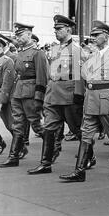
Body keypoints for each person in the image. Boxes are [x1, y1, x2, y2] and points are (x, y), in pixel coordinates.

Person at [59, 20, 109, 182]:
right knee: (86, 134)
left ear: (106, 36)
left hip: (106, 101)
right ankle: (79, 171)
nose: (93, 38)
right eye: (93, 35)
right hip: (91, 100)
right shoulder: (93, 55)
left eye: (96, 35)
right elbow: (84, 75)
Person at [27, 15, 95, 174]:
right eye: (55, 29)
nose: (56, 32)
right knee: (49, 128)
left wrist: (79, 98)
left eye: (59, 29)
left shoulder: (77, 50)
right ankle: (46, 163)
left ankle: (89, 157)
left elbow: (81, 75)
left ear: (69, 29)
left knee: (77, 129)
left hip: (69, 96)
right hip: (53, 95)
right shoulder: (55, 49)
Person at [0, 23, 48, 168]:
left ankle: (51, 149)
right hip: (18, 93)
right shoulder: (20, 52)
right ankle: (13, 157)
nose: (17, 38)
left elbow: (42, 78)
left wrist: (39, 98)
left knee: (36, 125)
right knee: (17, 125)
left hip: (30, 94)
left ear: (29, 35)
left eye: (20, 35)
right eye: (16, 36)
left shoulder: (38, 53)